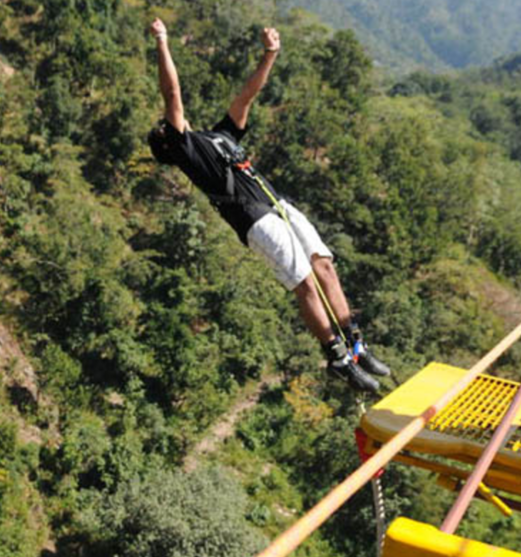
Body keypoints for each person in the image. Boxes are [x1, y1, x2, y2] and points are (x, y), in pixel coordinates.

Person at [145, 18, 390, 393]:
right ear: (168, 142)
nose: (171, 121)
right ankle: (337, 357)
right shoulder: (187, 151)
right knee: (304, 282)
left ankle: (356, 344)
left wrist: (270, 54)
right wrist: (162, 41)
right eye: (165, 126)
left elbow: (247, 96)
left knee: (324, 265)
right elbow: (172, 93)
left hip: (277, 204)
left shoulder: (219, 137)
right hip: (253, 217)